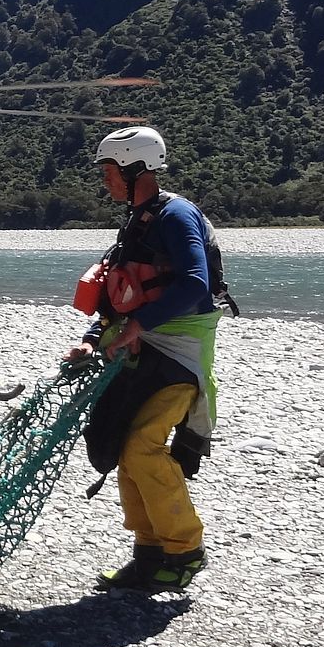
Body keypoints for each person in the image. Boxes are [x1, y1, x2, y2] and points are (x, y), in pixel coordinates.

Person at [64, 125, 224, 594]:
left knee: (142, 447)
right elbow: (118, 298)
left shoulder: (176, 216)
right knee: (124, 448)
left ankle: (185, 551)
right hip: (138, 347)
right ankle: (150, 553)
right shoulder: (137, 221)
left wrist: (139, 326)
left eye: (110, 171)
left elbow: (196, 284)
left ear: (137, 169)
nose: (105, 181)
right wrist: (94, 339)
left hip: (177, 353)